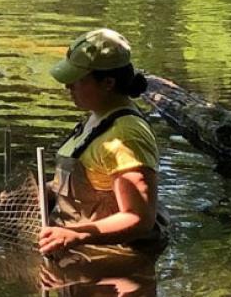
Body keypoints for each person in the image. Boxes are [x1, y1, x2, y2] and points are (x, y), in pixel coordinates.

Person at [41, 28, 165, 257]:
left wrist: (77, 235)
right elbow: (90, 185)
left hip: (110, 259)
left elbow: (139, 219)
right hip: (75, 252)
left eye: (77, 80)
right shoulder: (98, 116)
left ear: (107, 83)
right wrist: (41, 192)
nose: (68, 87)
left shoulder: (126, 136)